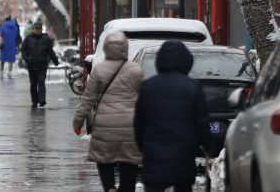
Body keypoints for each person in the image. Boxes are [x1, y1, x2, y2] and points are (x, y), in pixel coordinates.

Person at [134, 41, 211, 192]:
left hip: (154, 155)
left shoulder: (148, 86)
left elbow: (139, 123)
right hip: (183, 155)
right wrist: (207, 146)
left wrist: (144, 147)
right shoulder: (192, 87)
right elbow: (201, 123)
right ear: (187, 61)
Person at [73, 32, 143, 192]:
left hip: (105, 124)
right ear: (125, 48)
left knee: (104, 159)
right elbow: (145, 99)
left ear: (106, 49)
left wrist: (78, 122)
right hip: (129, 125)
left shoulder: (99, 70)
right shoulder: (136, 70)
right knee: (129, 162)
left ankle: (110, 187)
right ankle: (126, 188)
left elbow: (87, 99)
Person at [20, 21, 59, 107]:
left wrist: (55, 60)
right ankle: (34, 101)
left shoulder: (45, 39)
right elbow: (22, 49)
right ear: (33, 29)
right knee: (33, 84)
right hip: (31, 65)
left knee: (41, 82)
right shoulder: (28, 38)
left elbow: (50, 51)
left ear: (42, 29)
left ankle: (42, 100)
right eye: (36, 29)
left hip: (42, 65)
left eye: (39, 29)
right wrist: (26, 58)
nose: (38, 30)